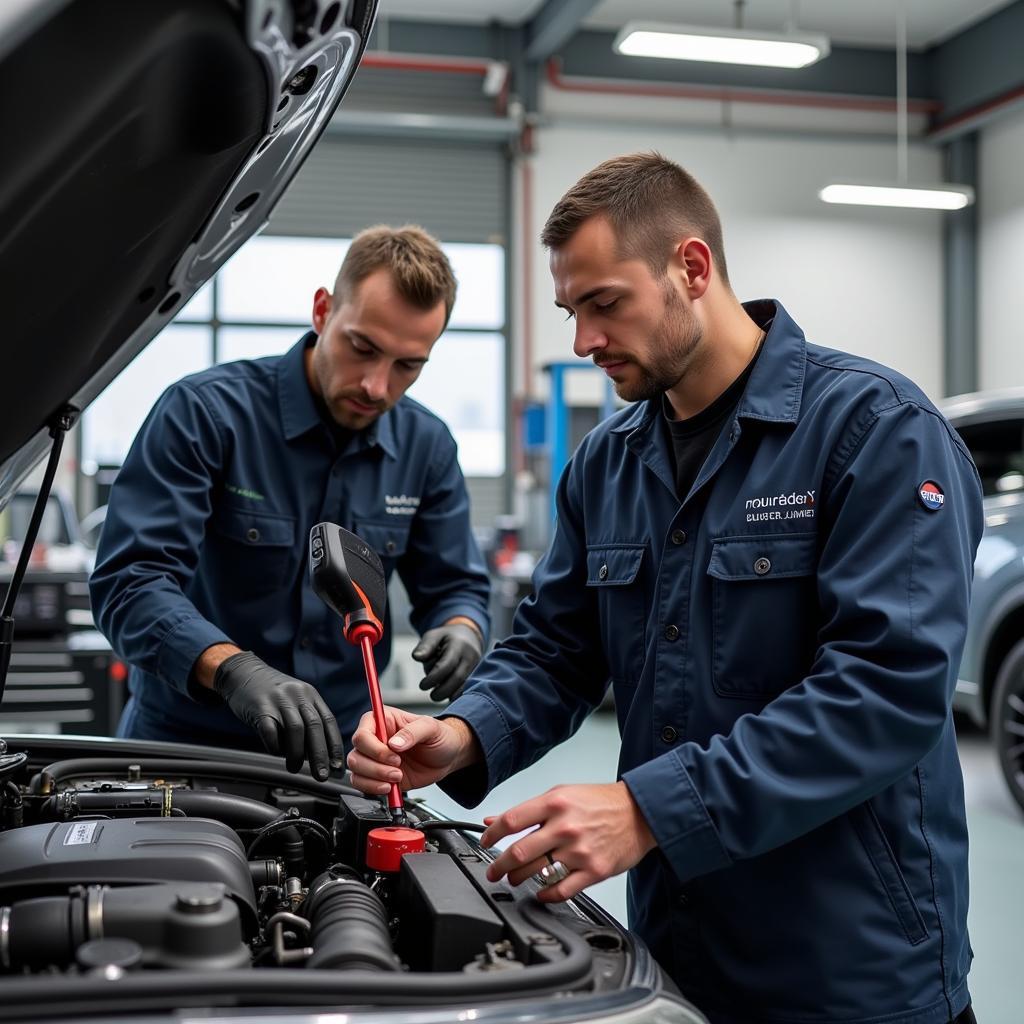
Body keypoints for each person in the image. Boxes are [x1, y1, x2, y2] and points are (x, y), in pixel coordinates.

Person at [347, 156, 983, 1024]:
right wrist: (460, 733)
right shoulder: (608, 463)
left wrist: (651, 808)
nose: (583, 341)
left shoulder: (875, 433)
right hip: (675, 944)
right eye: (573, 312)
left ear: (692, 268)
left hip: (848, 960)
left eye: (605, 303)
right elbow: (557, 648)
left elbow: (888, 690)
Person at [90, 225, 490, 780]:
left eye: (408, 365)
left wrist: (463, 627)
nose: (377, 385)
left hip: (342, 757)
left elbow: (455, 584)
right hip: (184, 750)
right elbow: (130, 582)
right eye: (363, 348)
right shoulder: (204, 415)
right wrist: (233, 670)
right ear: (323, 311)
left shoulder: (428, 446)